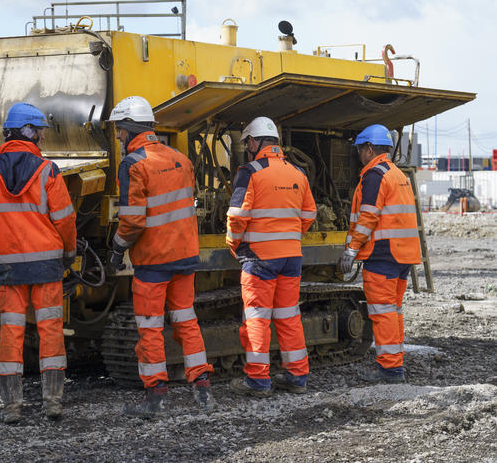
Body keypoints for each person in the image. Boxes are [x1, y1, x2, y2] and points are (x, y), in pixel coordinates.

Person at [0, 102, 76, 423]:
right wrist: (69, 252)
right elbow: (65, 220)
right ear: (28, 132)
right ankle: (52, 401)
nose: (41, 138)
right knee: (50, 331)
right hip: (46, 267)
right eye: (39, 132)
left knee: (11, 334)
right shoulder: (48, 172)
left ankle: (12, 406)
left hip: (9, 268)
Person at [108, 96, 215, 417]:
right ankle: (204, 393)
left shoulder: (133, 164)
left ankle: (155, 397)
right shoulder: (181, 159)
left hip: (153, 262)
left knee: (150, 327)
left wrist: (116, 248)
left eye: (117, 130)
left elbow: (133, 220)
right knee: (186, 321)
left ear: (128, 129)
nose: (116, 136)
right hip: (184, 258)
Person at [226, 116, 317, 397]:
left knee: (257, 319)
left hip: (260, 258)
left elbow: (237, 215)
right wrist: (288, 236)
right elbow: (310, 214)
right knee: (289, 317)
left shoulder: (249, 171)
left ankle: (258, 380)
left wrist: (234, 245)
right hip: (291, 257)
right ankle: (297, 377)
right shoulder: (298, 172)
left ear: (254, 142)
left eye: (247, 143)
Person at [338, 124, 421, 383]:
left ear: (369, 149)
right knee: (393, 311)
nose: (359, 156)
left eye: (360, 150)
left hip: (383, 256)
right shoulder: (397, 174)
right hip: (402, 256)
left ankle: (390, 369)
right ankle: (394, 362)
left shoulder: (374, 175)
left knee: (382, 312)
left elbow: (368, 216)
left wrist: (351, 249)